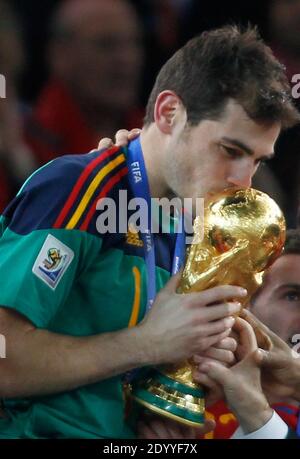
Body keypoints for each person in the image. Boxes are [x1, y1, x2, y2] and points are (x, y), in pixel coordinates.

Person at [0, 25, 298, 439]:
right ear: (169, 113)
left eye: (257, 161)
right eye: (230, 151)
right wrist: (148, 344)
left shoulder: (192, 223)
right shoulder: (80, 188)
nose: (243, 182)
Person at [24, 0, 144, 165]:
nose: (127, 58)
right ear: (60, 54)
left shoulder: (152, 133)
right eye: (106, 44)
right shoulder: (25, 142)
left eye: (134, 42)